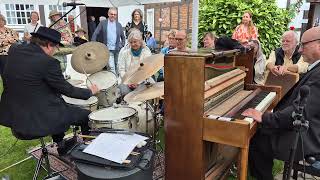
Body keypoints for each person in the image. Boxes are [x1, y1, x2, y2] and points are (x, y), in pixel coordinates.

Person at [0, 26, 99, 155]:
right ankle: (90, 150)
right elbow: (68, 90)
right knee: (86, 116)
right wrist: (90, 91)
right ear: (48, 45)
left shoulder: (15, 50)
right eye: (56, 48)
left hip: (14, 115)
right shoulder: (48, 62)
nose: (55, 51)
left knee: (57, 104)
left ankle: (61, 144)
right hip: (36, 118)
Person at [242, 27, 320, 180]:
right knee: (262, 131)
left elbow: (300, 112)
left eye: (304, 44)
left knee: (256, 141)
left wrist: (265, 117)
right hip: (307, 126)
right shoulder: (316, 68)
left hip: (307, 137)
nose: (301, 49)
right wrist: (273, 115)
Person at [92, 8, 125, 76]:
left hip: (117, 49)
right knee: (111, 67)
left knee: (117, 65)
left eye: (114, 14)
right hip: (107, 49)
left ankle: (117, 79)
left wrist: (122, 44)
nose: (113, 16)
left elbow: (123, 37)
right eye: (111, 14)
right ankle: (114, 81)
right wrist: (94, 44)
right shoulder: (103, 23)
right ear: (108, 14)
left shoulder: (118, 25)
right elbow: (95, 33)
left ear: (116, 15)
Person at [118, 29, 152, 94]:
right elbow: (121, 69)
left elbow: (148, 71)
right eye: (131, 42)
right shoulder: (124, 53)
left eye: (135, 42)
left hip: (142, 80)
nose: (133, 44)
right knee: (125, 92)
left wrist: (138, 82)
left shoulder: (147, 53)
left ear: (140, 41)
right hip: (126, 80)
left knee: (141, 92)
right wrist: (128, 82)